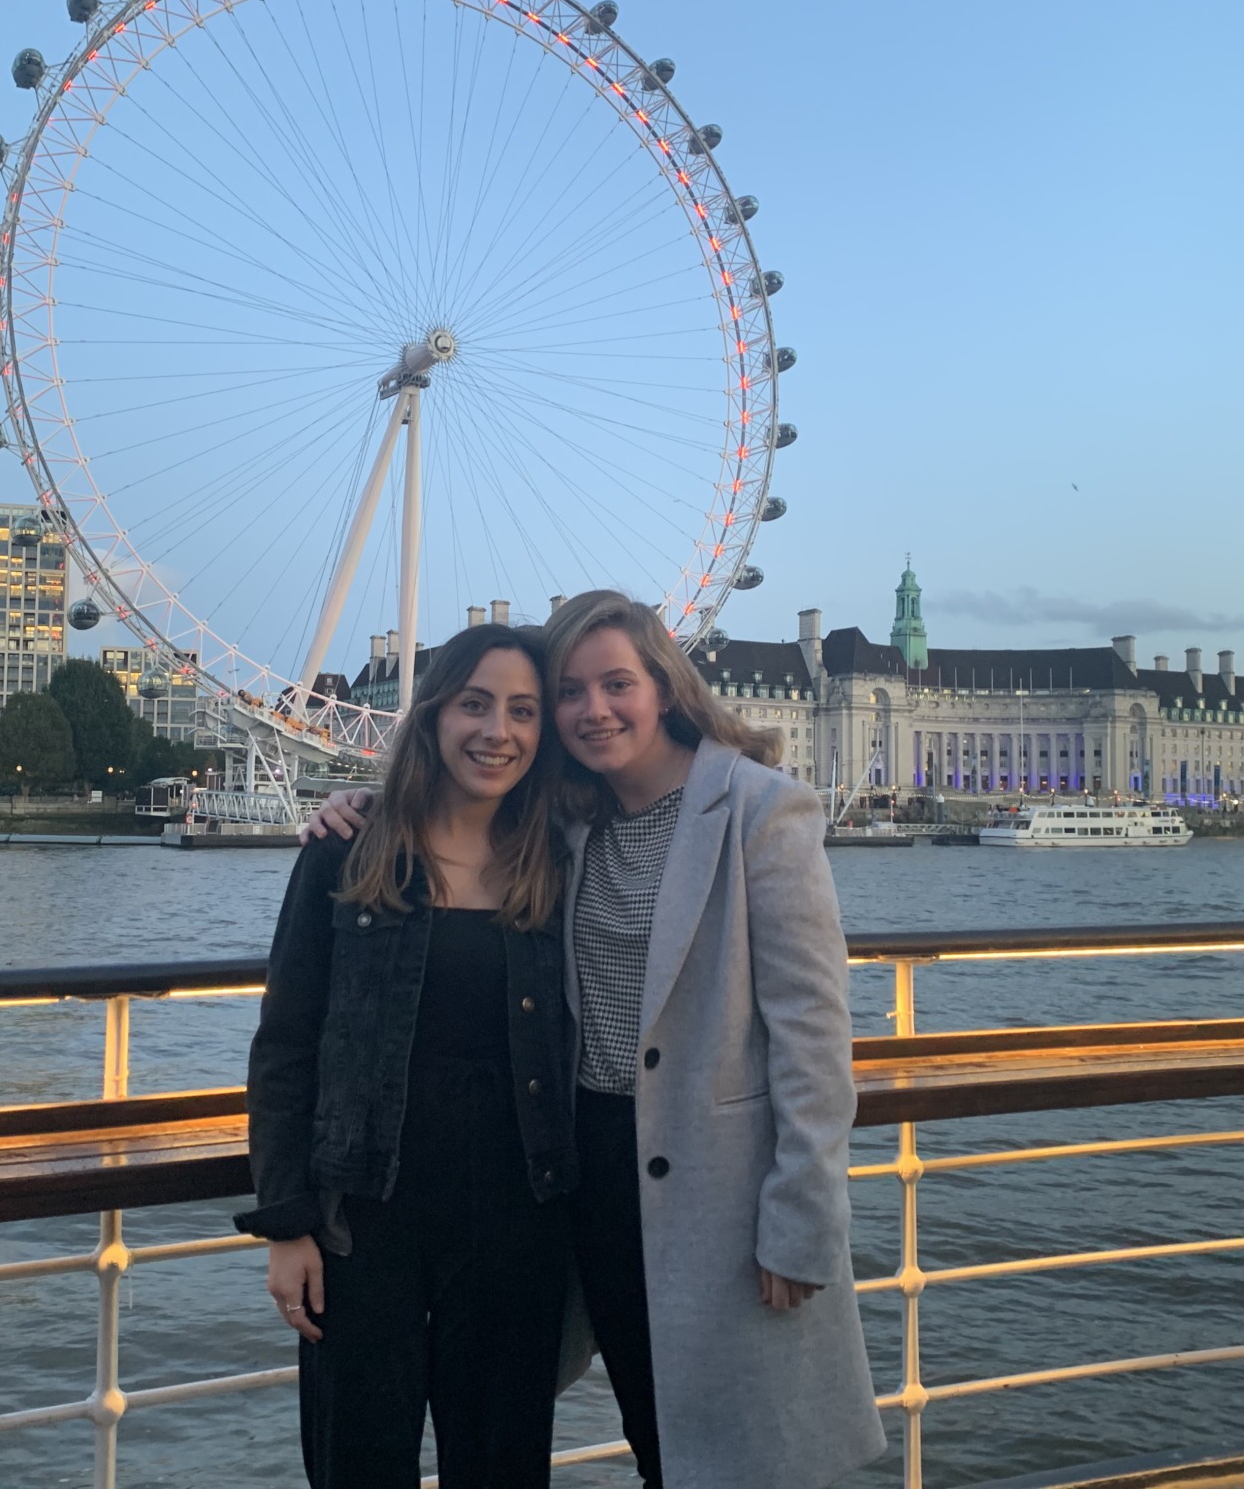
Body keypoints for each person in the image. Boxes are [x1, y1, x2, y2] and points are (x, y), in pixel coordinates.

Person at [306, 591, 884, 1489]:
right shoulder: (566, 824)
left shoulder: (762, 811)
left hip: (717, 1186)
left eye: (616, 684)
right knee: (655, 1431)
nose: (592, 710)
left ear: (665, 686)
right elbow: (449, 809)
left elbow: (813, 1034)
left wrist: (803, 1219)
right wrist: (360, 802)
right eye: (570, 693)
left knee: (740, 1452)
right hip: (585, 1178)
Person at [237, 622, 579, 1488]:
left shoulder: (562, 860)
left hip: (516, 1222)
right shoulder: (346, 851)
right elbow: (286, 1044)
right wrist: (288, 1222)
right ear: (430, 716)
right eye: (474, 704)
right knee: (358, 1465)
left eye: (523, 711)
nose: (496, 731)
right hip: (365, 1222)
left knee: (503, 1469)